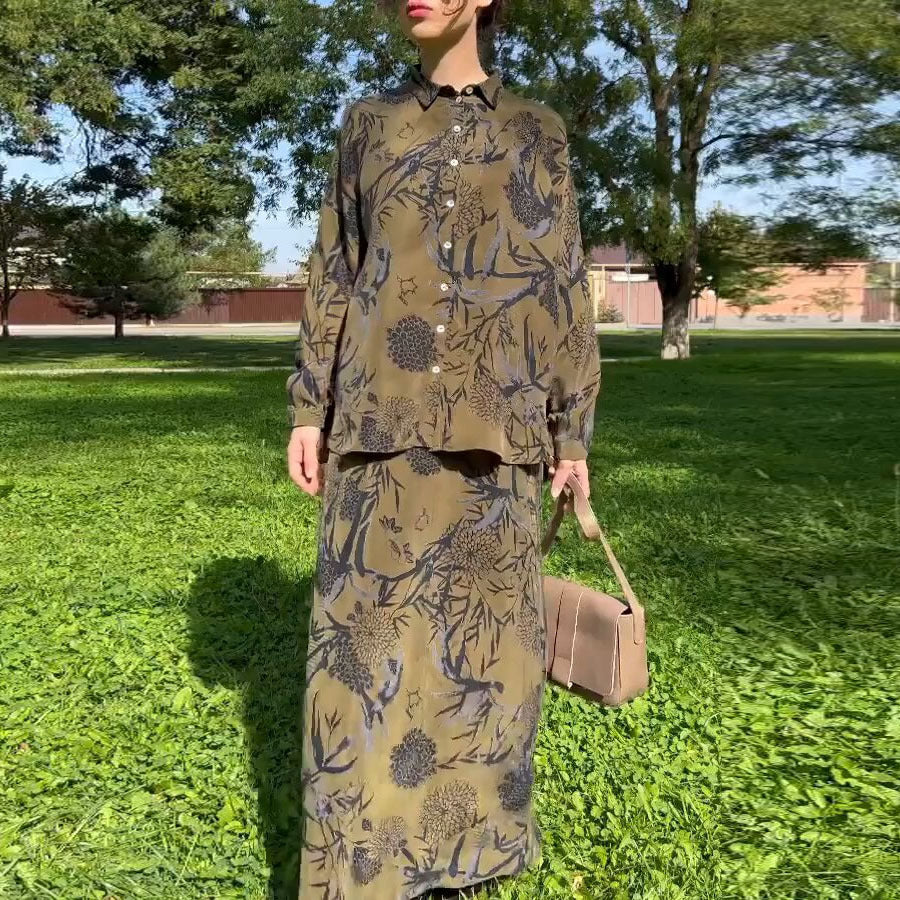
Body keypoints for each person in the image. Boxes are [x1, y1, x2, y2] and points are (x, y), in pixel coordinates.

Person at [285, 0, 601, 896]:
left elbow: (561, 282)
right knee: (358, 658)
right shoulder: (368, 123)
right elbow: (337, 268)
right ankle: (360, 862)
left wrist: (572, 430)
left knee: (486, 657)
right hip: (377, 425)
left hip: (499, 433)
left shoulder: (538, 131)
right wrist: (309, 405)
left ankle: (468, 856)